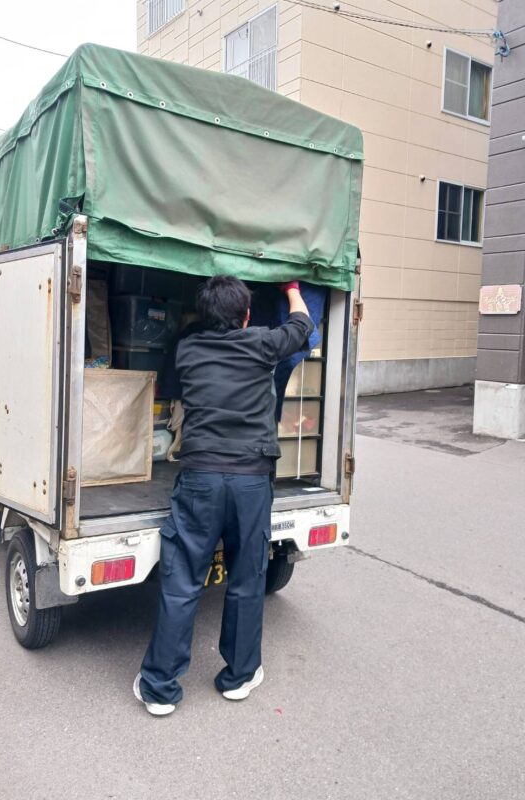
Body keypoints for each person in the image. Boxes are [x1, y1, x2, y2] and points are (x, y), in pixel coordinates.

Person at [134, 275, 314, 716]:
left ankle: (160, 688)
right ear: (247, 316)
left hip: (201, 480)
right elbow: (302, 326)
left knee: (182, 581)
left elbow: (171, 386)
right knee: (247, 579)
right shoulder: (262, 343)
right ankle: (239, 676)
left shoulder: (188, 349)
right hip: (251, 481)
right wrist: (292, 288)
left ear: (202, 315)